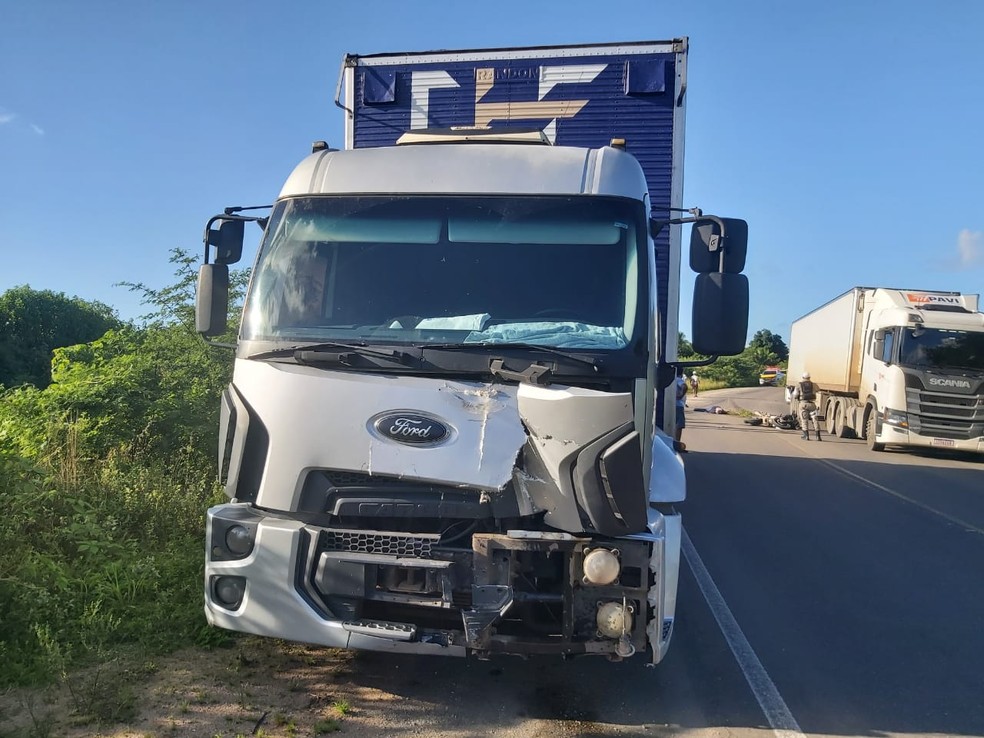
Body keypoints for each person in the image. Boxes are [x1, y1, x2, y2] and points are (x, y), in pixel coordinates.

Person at [791, 371, 821, 441]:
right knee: (815, 419)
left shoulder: (799, 385)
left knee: (804, 420)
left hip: (803, 404)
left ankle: (806, 436)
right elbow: (818, 390)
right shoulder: (814, 384)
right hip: (812, 405)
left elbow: (795, 395)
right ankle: (818, 436)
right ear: (809, 377)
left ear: (803, 377)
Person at [674, 368, 689, 452]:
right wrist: (680, 395)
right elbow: (685, 386)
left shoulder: (672, 379)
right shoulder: (679, 379)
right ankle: (677, 444)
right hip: (679, 405)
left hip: (672, 404)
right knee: (679, 425)